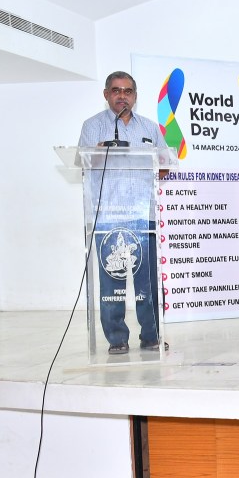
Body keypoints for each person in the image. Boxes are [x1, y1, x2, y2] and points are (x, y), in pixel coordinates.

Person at [78, 71, 168, 355]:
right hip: (109, 216)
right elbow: (82, 162)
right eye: (116, 90)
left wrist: (157, 165)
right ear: (106, 94)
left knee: (147, 283)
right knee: (111, 283)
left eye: (128, 91)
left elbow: (165, 165)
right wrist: (97, 152)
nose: (122, 96)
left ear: (135, 96)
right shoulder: (93, 126)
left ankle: (151, 336)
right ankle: (117, 339)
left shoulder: (150, 127)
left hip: (143, 216)